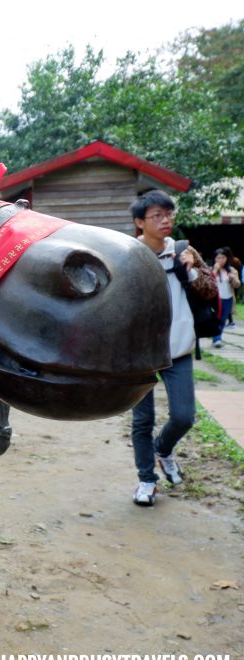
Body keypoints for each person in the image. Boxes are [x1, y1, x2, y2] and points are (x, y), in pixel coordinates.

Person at [129, 190, 212, 506]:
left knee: (184, 416)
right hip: (140, 355)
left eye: (169, 214)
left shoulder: (182, 250)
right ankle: (146, 480)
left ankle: (163, 449)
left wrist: (191, 268)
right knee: (142, 421)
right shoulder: (127, 254)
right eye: (157, 216)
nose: (166, 221)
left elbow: (207, 290)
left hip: (178, 350)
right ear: (140, 222)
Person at [211, 247, 240, 347]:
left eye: (223, 258)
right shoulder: (211, 269)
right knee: (216, 319)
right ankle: (216, 339)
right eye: (218, 258)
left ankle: (217, 337)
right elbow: (208, 282)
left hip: (228, 298)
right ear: (214, 259)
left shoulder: (231, 270)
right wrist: (215, 270)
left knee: (223, 319)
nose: (221, 260)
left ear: (227, 258)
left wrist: (233, 279)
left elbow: (237, 285)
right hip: (216, 299)